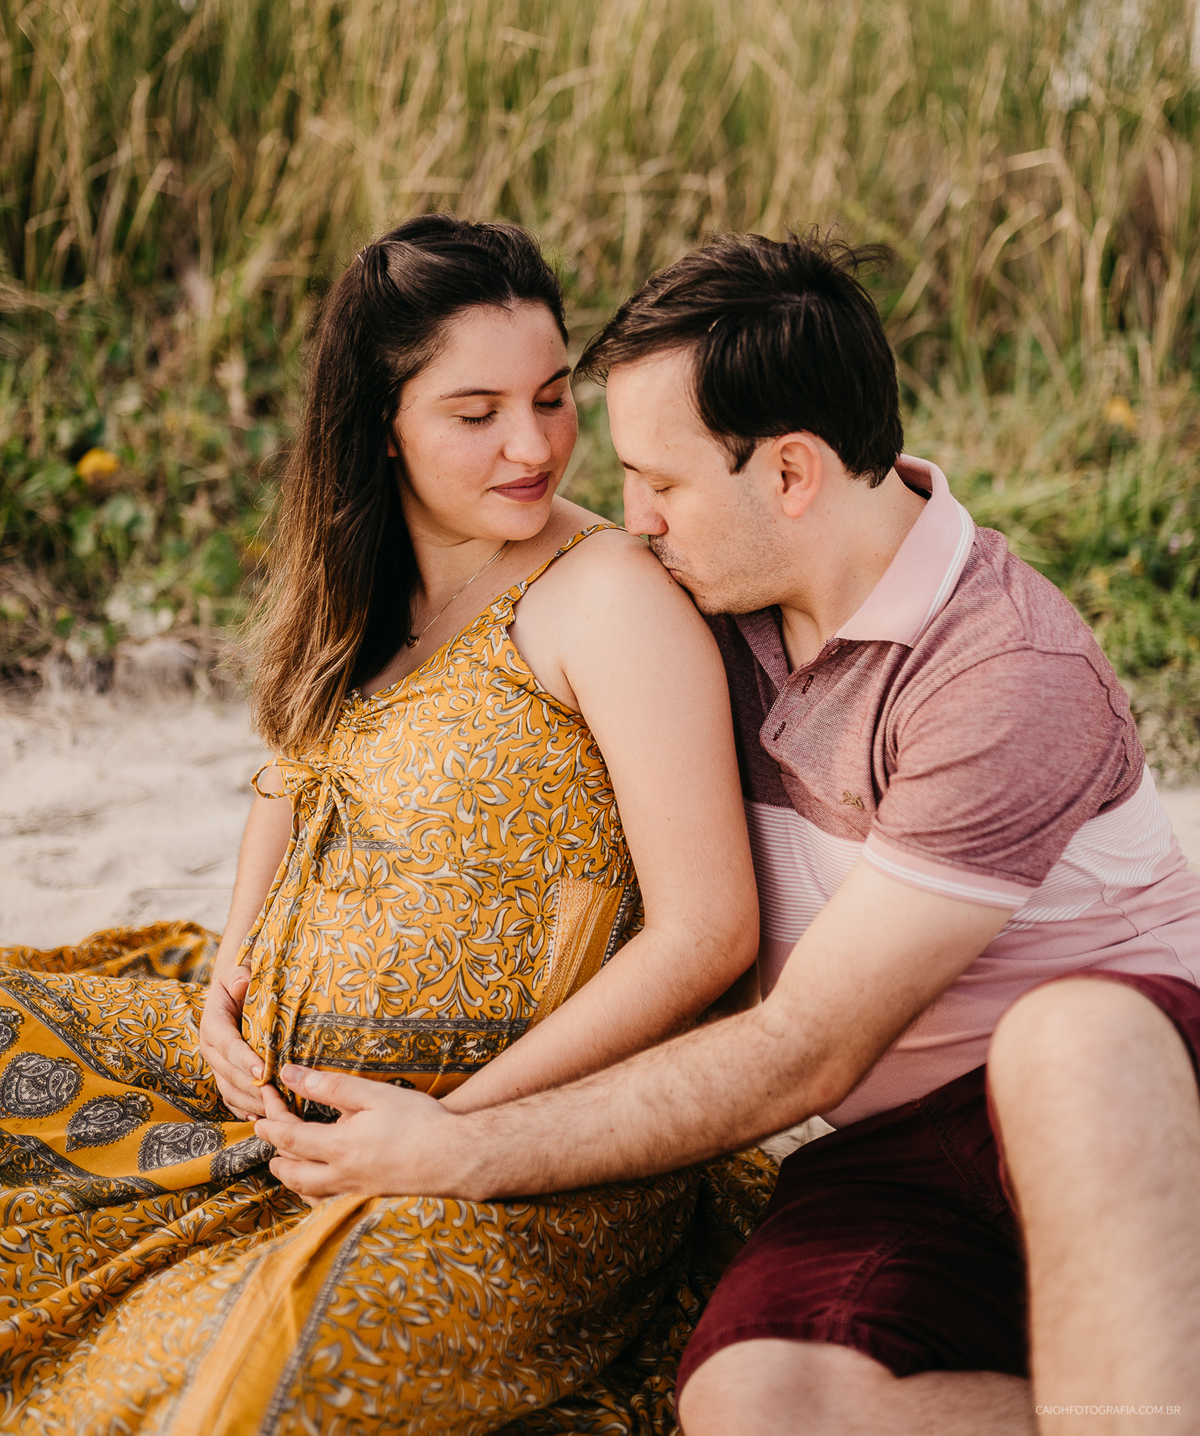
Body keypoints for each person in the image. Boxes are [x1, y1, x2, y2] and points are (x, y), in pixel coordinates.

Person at [261, 232, 1200, 1436]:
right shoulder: (720, 595)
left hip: (1133, 1111)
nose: (624, 517)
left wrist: (464, 1144)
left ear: (792, 475)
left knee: (1062, 1040)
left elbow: (807, 1048)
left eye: (659, 481)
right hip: (902, 1151)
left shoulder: (1002, 672)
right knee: (759, 1400)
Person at [0, 216, 770, 1435]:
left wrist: (455, 1131)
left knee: (260, 1375)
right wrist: (227, 970)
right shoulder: (367, 586)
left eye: (553, 395)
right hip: (271, 1095)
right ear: (382, 422)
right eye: (477, 412)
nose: (534, 444)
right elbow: (290, 776)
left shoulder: (606, 598)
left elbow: (709, 932)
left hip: (516, 1158)